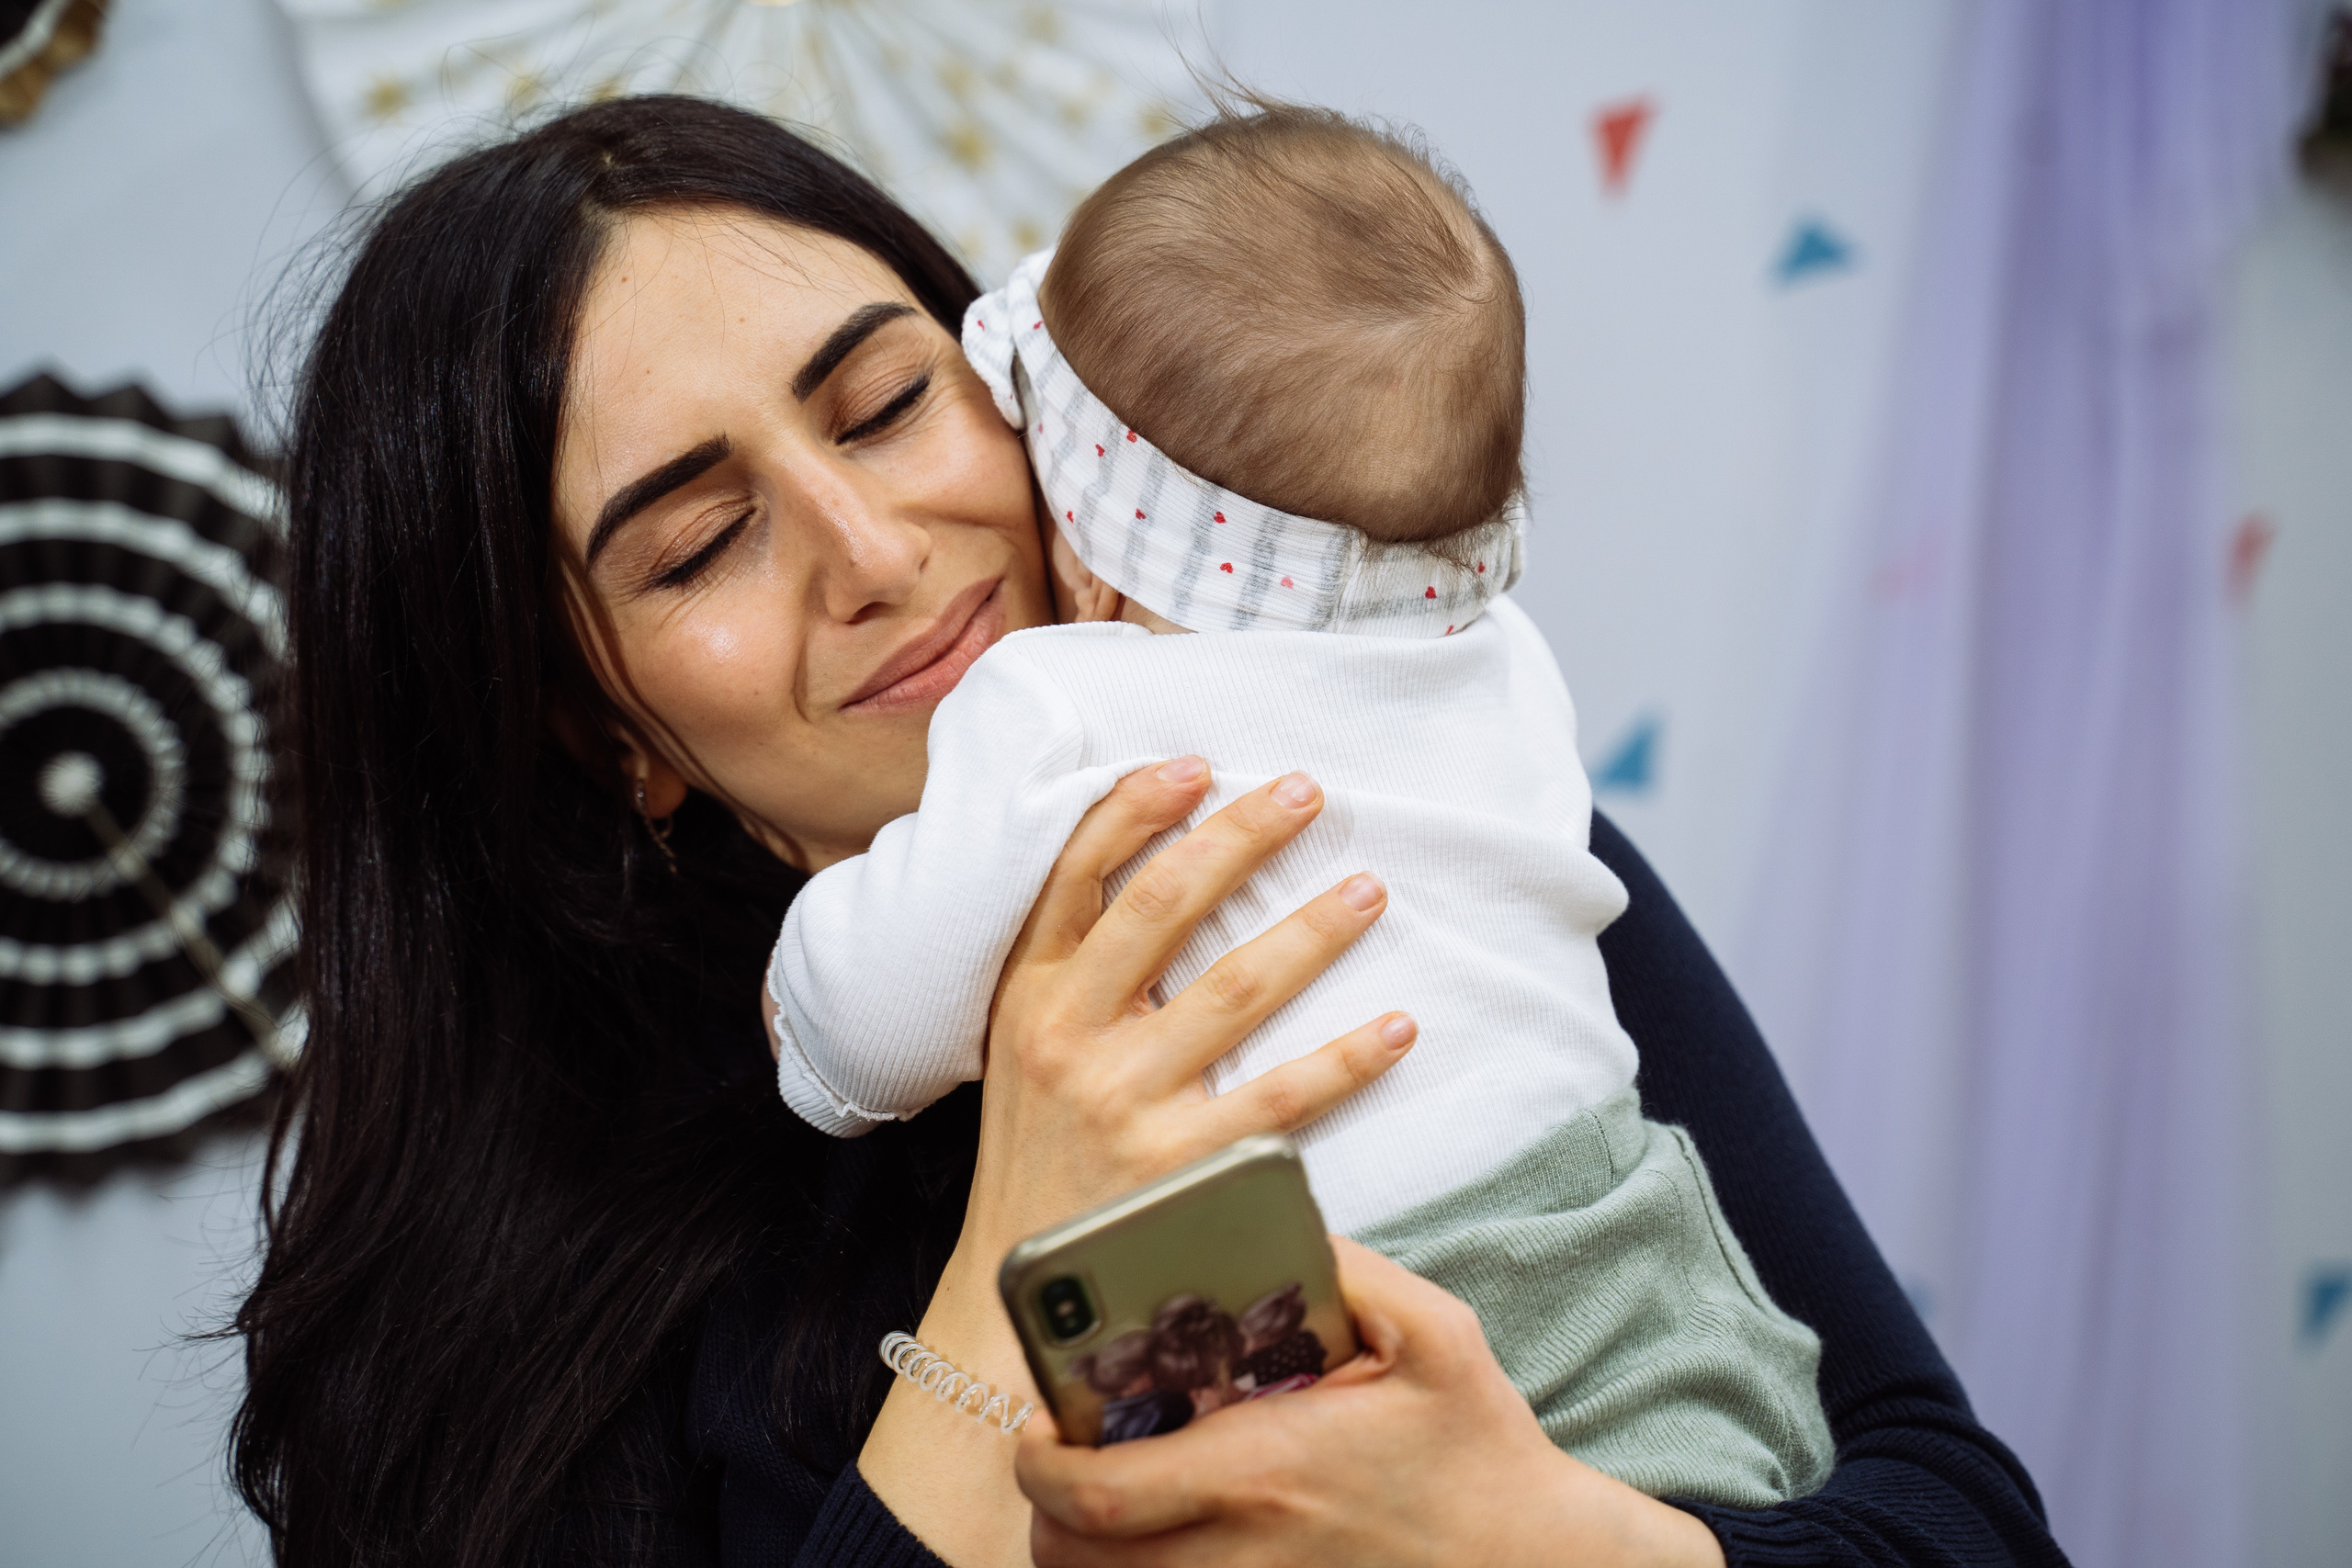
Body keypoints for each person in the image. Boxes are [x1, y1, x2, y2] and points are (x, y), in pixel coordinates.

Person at [231, 93, 2070, 1568]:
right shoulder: (512, 1294)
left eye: (885, 404)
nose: (875, 556)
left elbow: (1959, 1517)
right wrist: (1013, 1250)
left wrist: (1542, 1536)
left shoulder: (1388, 825)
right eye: (698, 542)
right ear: (596, 724)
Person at [763, 105, 1830, 1508]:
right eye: (702, 544)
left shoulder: (1066, 704)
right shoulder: (1499, 661)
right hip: (1641, 1248)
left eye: (899, 408)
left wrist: (806, 1004)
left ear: (1090, 527)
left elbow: (877, 1033)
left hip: (1356, 1295)